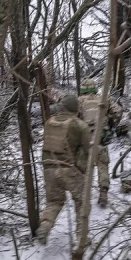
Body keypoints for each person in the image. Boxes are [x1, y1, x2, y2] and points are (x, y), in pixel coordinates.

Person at [37, 94, 91, 245]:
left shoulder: (49, 122)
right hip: (69, 169)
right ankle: (82, 236)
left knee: (54, 202)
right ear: (76, 108)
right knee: (82, 200)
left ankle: (45, 226)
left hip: (48, 169)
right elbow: (89, 149)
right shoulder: (80, 125)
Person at [78, 79, 123, 207]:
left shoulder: (79, 100)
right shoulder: (104, 98)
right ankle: (103, 193)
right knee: (103, 164)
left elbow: (72, 118)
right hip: (101, 135)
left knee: (82, 165)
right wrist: (112, 125)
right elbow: (118, 111)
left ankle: (82, 194)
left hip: (85, 135)